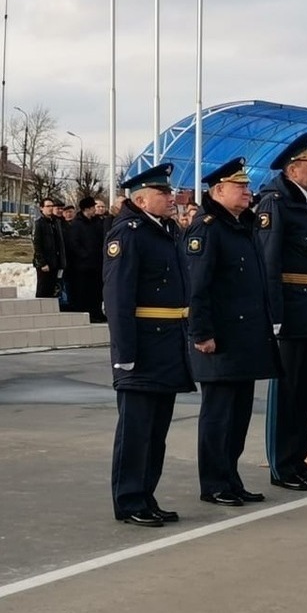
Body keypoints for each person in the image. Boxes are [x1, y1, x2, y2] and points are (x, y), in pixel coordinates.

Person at [104, 163, 195, 527]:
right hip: (141, 346)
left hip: (168, 344)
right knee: (136, 430)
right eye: (163, 193)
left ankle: (147, 494)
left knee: (157, 431)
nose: (170, 198)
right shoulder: (128, 234)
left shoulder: (164, 230)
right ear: (141, 199)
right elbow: (118, 299)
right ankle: (128, 500)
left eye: (169, 193)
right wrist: (124, 354)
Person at [185, 157, 279, 507]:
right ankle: (213, 482)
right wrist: (201, 333)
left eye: (248, 186)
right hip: (219, 339)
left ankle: (231, 477)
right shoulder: (207, 229)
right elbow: (197, 287)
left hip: (245, 339)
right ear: (218, 190)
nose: (247, 192)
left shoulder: (243, 226)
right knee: (218, 414)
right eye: (240, 187)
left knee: (238, 415)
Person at [257, 132, 307, 492]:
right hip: (289, 307)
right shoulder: (276, 202)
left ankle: (298, 459)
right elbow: (270, 260)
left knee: (305, 391)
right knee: (286, 391)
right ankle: (281, 464)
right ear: (292, 169)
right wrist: (274, 313)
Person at [66, 196, 106, 322]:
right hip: (83, 266)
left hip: (97, 263)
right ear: (87, 209)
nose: (95, 210)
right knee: (85, 291)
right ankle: (88, 314)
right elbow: (74, 244)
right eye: (93, 207)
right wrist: (86, 255)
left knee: (97, 291)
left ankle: (97, 312)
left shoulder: (96, 222)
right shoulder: (77, 224)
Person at [32, 196, 66, 298]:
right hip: (44, 264)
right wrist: (42, 262)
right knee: (43, 290)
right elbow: (37, 244)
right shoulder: (39, 223)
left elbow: (59, 243)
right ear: (41, 208)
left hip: (55, 263)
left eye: (52, 206)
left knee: (53, 290)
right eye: (47, 206)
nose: (50, 208)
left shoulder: (56, 223)